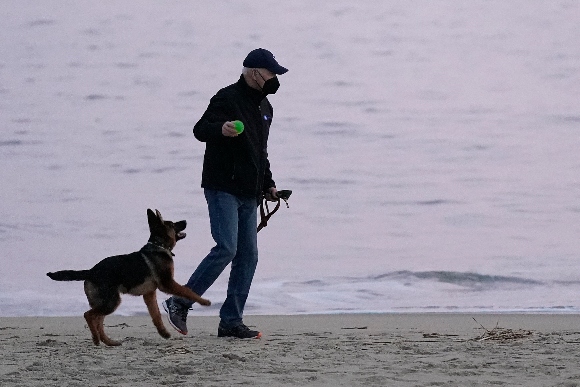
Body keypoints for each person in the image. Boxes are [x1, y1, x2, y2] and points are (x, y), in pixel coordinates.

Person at [163, 48, 288, 339]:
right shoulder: (226, 97)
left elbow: (261, 152)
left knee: (248, 256)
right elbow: (199, 130)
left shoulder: (265, 108)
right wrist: (222, 128)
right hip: (222, 187)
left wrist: (269, 185)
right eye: (272, 74)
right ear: (254, 72)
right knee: (226, 248)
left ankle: (230, 321)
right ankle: (179, 301)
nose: (275, 80)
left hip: (250, 193)